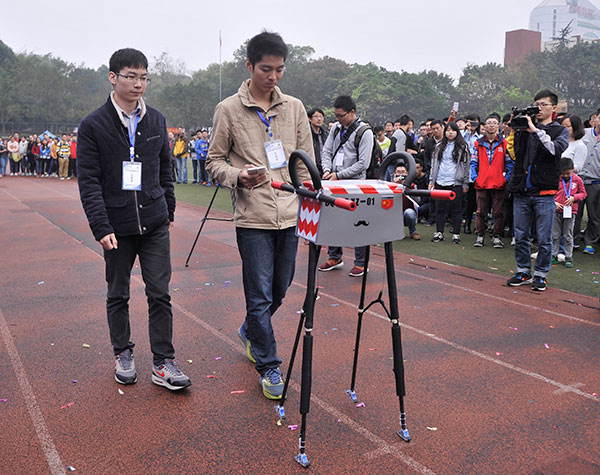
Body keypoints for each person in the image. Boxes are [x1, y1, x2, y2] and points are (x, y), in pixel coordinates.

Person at [206, 31, 314, 400]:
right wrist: (238, 176)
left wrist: (312, 187)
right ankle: (268, 365)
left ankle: (252, 329)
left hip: (290, 214)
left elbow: (303, 163)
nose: (273, 77)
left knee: (280, 289)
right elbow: (214, 162)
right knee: (259, 296)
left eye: (279, 70)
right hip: (253, 216)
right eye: (266, 69)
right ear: (249, 65)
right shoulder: (228, 110)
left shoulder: (295, 108)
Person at [77, 47, 191, 391]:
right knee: (118, 292)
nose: (138, 83)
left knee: (160, 293)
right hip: (116, 227)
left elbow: (165, 169)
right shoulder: (94, 125)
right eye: (131, 76)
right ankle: (123, 352)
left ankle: (163, 362)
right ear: (113, 77)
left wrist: (168, 209)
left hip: (155, 222)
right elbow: (89, 182)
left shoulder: (155, 119)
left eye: (143, 77)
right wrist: (101, 227)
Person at [506, 89, 570, 291]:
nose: (538, 108)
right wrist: (517, 128)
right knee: (521, 235)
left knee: (544, 237)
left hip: (545, 192)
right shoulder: (524, 128)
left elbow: (554, 150)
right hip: (522, 189)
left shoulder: (560, 130)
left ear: (554, 108)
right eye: (536, 105)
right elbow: (515, 154)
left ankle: (541, 274)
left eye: (543, 104)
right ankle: (523, 270)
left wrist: (535, 130)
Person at [318, 95, 374, 277]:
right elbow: (326, 151)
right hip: (334, 182)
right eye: (335, 116)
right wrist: (327, 170)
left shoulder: (365, 132)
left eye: (341, 116)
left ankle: (361, 262)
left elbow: (363, 164)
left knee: (359, 222)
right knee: (333, 219)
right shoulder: (335, 128)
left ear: (352, 112)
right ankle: (334, 256)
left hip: (356, 184)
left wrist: (339, 175)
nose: (337, 119)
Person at [471, 115, 513, 248]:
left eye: (494, 123)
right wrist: (475, 177)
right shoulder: (478, 143)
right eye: (488, 123)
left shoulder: (504, 143)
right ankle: (480, 235)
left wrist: (505, 178)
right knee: (480, 211)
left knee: (498, 212)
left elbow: (509, 163)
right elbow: (473, 163)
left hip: (498, 182)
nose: (491, 125)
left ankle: (496, 236)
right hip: (481, 182)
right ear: (484, 126)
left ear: (499, 126)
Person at [428, 121, 470, 244]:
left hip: (455, 182)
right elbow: (434, 164)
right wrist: (432, 181)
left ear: (457, 132)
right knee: (440, 209)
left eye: (453, 130)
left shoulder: (463, 147)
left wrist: (466, 182)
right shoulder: (439, 146)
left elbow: (466, 166)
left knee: (456, 209)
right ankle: (439, 232)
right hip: (440, 181)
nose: (450, 133)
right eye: (448, 130)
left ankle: (456, 234)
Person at [552, 157, 586, 268]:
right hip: (556, 211)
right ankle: (553, 255)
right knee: (555, 235)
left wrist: (574, 197)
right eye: (563, 174)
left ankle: (568, 257)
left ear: (573, 169)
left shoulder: (577, 180)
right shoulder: (555, 178)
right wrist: (554, 202)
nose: (566, 175)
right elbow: (550, 192)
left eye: (568, 173)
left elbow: (583, 194)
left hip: (570, 212)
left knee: (568, 235)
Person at [580, 109, 600, 255]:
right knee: (574, 214)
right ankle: (572, 241)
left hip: (596, 182)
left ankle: (590, 243)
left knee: (594, 216)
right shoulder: (584, 133)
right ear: (595, 118)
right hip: (578, 180)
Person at [393, 164, 421, 240]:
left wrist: (409, 186)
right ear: (394, 174)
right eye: (398, 172)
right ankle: (395, 232)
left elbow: (418, 200)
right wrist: (395, 184)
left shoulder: (412, 185)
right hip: (394, 215)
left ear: (407, 174)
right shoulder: (390, 185)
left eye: (403, 172)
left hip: (407, 214)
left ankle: (413, 232)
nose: (400, 174)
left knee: (409, 213)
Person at [308, 107, 328, 176]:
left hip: (325, 168)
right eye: (316, 116)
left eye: (321, 117)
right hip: (312, 168)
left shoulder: (326, 135)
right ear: (309, 119)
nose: (319, 119)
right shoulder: (307, 135)